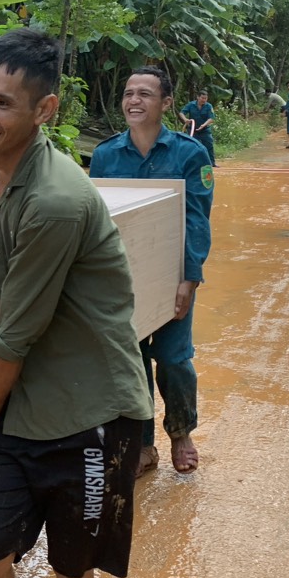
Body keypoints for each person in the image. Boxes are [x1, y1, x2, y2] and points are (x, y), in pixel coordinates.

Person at [0, 29, 153, 578]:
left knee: (73, 568)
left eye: (2, 103)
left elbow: (16, 330)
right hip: (22, 405)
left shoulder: (56, 201)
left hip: (91, 414)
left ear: (45, 110)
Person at [89, 65, 213, 478]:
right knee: (132, 360)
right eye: (129, 93)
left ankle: (181, 432)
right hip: (122, 279)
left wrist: (189, 278)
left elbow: (197, 220)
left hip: (173, 275)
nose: (134, 100)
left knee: (174, 359)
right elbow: (98, 221)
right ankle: (142, 444)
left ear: (166, 103)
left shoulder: (189, 154)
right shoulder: (106, 155)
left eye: (144, 93)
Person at [178, 89, 216, 166]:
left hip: (205, 130)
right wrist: (185, 120)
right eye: (202, 98)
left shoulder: (209, 106)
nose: (204, 100)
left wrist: (204, 125)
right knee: (192, 146)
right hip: (193, 130)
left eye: (205, 98)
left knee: (209, 145)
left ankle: (212, 163)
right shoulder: (191, 105)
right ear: (198, 97)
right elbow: (181, 113)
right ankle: (193, 164)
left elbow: (211, 118)